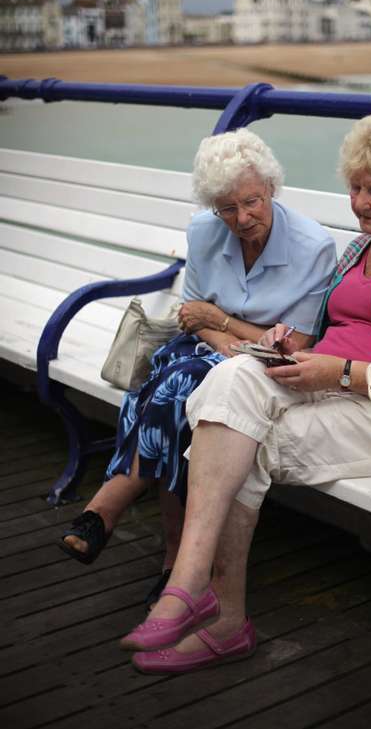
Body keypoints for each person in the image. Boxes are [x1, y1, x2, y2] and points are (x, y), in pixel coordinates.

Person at [121, 109, 371, 674]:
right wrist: (287, 343)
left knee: (239, 437)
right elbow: (326, 334)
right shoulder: (361, 249)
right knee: (233, 378)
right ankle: (192, 581)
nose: (361, 203)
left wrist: (342, 373)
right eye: (354, 188)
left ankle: (220, 616)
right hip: (333, 386)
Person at [58, 127, 337, 608]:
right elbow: (192, 315)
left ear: (271, 188)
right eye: (227, 208)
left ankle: (113, 507)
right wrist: (223, 336)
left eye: (252, 202)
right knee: (173, 384)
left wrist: (222, 323)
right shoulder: (205, 230)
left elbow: (296, 344)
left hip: (267, 371)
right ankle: (173, 561)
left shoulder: (313, 247)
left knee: (177, 384)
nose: (242, 217)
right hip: (208, 349)